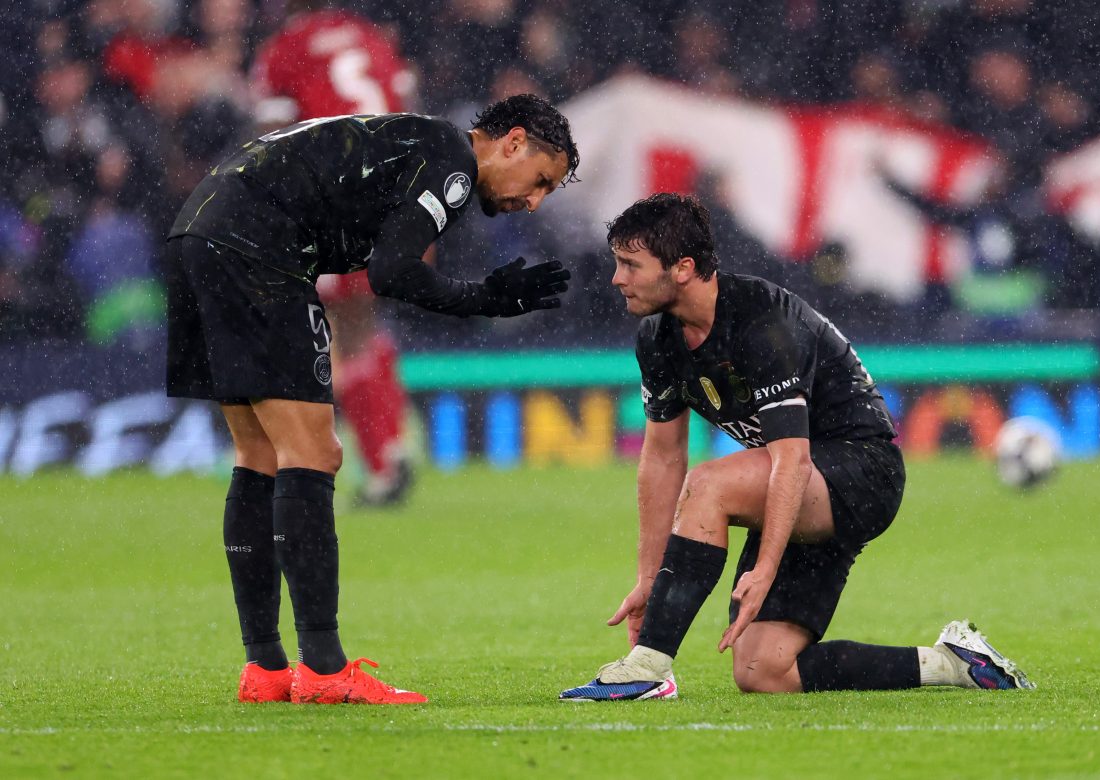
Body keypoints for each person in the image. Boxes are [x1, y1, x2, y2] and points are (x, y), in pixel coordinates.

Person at [166, 94, 578, 704]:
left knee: (260, 456)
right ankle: (325, 671)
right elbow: (393, 272)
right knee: (314, 454)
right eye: (540, 179)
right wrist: (487, 298)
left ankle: (266, 668)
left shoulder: (414, 140)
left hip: (197, 233)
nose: (535, 200)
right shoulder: (452, 163)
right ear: (512, 142)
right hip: (257, 246)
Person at [560, 193, 1033, 701]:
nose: (617, 278)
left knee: (710, 484)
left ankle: (648, 666)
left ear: (683, 268)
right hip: (795, 486)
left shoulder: (762, 321)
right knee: (764, 671)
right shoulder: (656, 337)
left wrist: (765, 568)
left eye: (631, 264)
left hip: (862, 471)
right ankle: (954, 664)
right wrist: (651, 579)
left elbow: (792, 457)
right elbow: (662, 457)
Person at [252, 0, 422, 505]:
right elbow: (408, 101)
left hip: (340, 193)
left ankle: (377, 466)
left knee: (337, 333)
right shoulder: (370, 36)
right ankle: (392, 449)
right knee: (362, 324)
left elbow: (274, 136)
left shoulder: (285, 50)